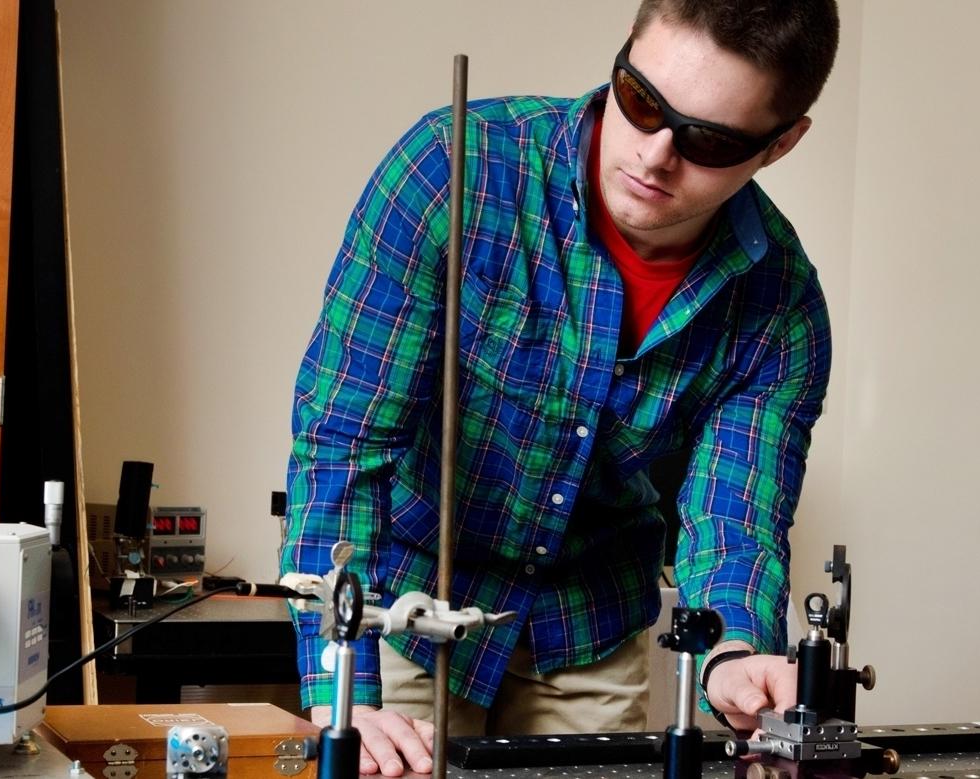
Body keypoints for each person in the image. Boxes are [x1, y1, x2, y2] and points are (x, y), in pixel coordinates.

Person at [283, 0, 839, 774]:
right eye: (641, 102)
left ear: (779, 145)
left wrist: (730, 652)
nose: (654, 155)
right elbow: (345, 438)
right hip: (403, 602)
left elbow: (732, 512)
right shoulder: (453, 167)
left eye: (707, 140)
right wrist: (342, 683)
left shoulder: (781, 304)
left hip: (588, 622)